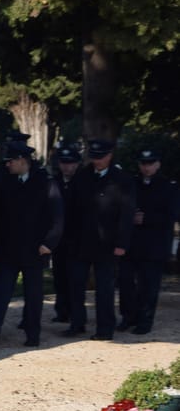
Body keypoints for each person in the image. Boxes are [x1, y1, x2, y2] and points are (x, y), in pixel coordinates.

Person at [0, 143, 63, 347]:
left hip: (35, 249)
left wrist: (49, 243)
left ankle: (32, 333)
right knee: (1, 292)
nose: (7, 165)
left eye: (11, 161)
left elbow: (58, 217)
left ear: (22, 161)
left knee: (33, 295)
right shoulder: (6, 182)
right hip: (8, 248)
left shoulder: (45, 182)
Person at [62, 139, 135, 341]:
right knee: (76, 285)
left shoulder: (122, 179)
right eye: (94, 157)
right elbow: (72, 209)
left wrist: (122, 243)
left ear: (110, 156)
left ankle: (105, 328)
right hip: (80, 242)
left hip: (107, 243)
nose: (97, 161)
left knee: (105, 289)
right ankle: (77, 323)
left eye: (101, 157)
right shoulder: (82, 176)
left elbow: (126, 214)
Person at [117, 148, 179, 335]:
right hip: (132, 243)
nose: (146, 167)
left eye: (150, 163)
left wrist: (148, 218)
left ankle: (145, 321)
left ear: (158, 164)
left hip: (154, 245)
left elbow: (172, 215)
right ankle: (128, 317)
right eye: (143, 164)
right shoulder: (132, 184)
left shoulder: (169, 186)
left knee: (149, 286)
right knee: (126, 283)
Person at [50, 145, 82, 323]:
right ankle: (62, 310)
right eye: (64, 163)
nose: (67, 167)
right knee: (60, 276)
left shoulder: (83, 182)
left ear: (77, 164)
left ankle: (76, 314)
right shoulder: (55, 182)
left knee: (75, 279)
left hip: (76, 238)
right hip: (59, 239)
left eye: (70, 163)